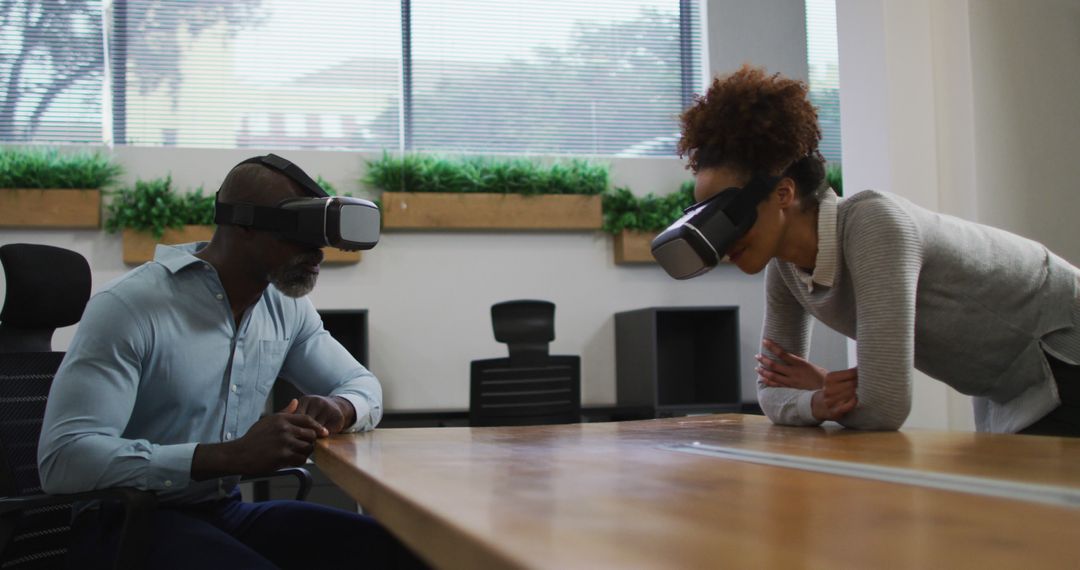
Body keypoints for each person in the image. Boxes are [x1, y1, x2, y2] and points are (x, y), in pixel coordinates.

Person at [38, 156, 426, 568]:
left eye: (320, 238)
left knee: (402, 553)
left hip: (222, 512)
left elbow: (363, 386)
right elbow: (65, 459)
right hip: (123, 522)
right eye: (299, 232)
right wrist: (228, 456)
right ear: (241, 224)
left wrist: (341, 408)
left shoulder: (285, 309)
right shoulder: (131, 308)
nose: (317, 253)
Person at [677, 65, 1080, 436]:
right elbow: (772, 391)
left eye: (726, 213)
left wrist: (825, 395)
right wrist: (819, 400)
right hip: (1005, 386)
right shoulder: (785, 271)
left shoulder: (874, 224)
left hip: (1061, 347)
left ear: (784, 192)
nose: (721, 239)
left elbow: (884, 408)